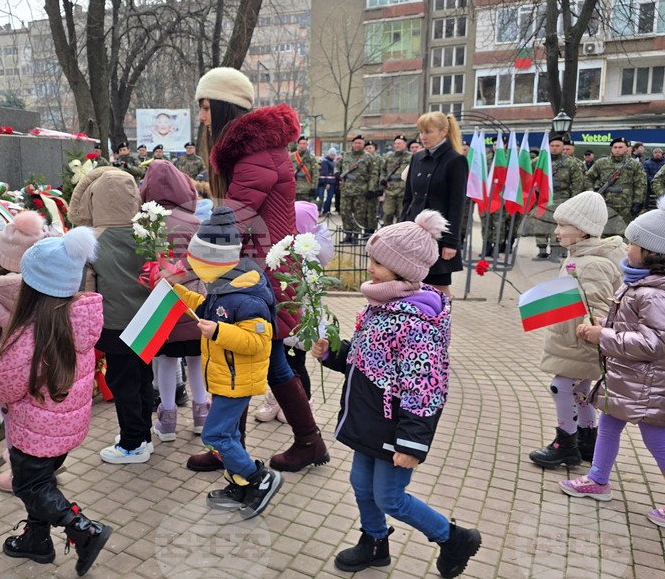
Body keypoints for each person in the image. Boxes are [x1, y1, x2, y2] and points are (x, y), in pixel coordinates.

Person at [310, 211, 482, 577]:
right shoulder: (381, 304)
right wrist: (333, 352)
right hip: (371, 420)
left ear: (404, 269)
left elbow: (426, 388)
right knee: (361, 484)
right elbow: (367, 359)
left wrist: (412, 443)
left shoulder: (416, 322)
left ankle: (454, 538)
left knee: (390, 497)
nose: (370, 268)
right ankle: (374, 542)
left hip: (395, 427)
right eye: (371, 259)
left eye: (378, 262)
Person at [191, 66, 330, 473]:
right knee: (267, 360)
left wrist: (186, 263)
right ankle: (301, 442)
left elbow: (231, 220)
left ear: (223, 106)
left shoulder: (254, 154)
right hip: (258, 268)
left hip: (260, 273)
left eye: (205, 107)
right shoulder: (253, 150)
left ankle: (253, 444)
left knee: (254, 357)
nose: (201, 116)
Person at [562, 189, 665, 530]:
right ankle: (598, 479)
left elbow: (653, 344)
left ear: (652, 252)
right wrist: (604, 327)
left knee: (657, 441)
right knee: (609, 424)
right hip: (629, 378)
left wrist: (603, 337)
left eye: (633, 243)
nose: (627, 248)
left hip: (650, 385)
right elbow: (633, 327)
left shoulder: (660, 296)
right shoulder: (643, 282)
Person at [0, 227, 113, 574]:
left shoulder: (30, 334)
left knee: (30, 486)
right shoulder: (76, 321)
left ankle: (83, 529)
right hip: (64, 430)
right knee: (43, 485)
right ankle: (36, 541)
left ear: (32, 287)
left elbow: (4, 387)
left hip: (34, 433)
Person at [169, 207, 285, 519]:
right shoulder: (222, 287)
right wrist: (177, 292)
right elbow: (203, 308)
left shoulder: (246, 296)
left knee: (215, 435)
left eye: (198, 262)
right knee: (229, 435)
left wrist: (220, 332)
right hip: (224, 378)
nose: (193, 268)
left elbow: (258, 341)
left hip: (238, 381)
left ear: (215, 261)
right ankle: (239, 484)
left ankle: (260, 478)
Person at [528, 192, 624, 469]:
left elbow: (597, 306)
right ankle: (587, 440)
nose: (556, 231)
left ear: (583, 230)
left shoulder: (592, 263)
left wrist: (590, 327)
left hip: (579, 341)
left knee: (561, 387)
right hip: (572, 338)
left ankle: (565, 444)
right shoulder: (581, 256)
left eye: (563, 225)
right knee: (581, 390)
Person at [68, 168, 154, 463]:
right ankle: (143, 435)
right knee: (142, 379)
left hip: (115, 324)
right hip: (149, 320)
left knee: (122, 383)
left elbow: (86, 291)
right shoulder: (147, 233)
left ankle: (132, 443)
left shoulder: (90, 239)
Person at [0, 211, 49, 493]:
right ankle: (48, 464)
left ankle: (20, 474)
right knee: (44, 418)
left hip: (12, 373)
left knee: (15, 424)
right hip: (50, 367)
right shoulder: (51, 287)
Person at [138, 161, 210, 441]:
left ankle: (167, 421)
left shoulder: (145, 224)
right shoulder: (196, 223)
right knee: (196, 359)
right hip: (194, 303)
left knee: (167, 360)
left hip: (161, 304)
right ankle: (202, 415)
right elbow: (205, 263)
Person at [255, 201, 334, 423]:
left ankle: (304, 403)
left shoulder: (305, 257)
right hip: (284, 317)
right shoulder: (288, 252)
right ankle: (277, 400)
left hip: (298, 321)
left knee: (295, 365)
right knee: (277, 363)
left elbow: (309, 291)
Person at [401, 112, 468, 297]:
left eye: (428, 132)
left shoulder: (456, 160)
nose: (423, 137)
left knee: (439, 286)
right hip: (414, 234)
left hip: (439, 236)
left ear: (444, 131)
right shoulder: (416, 158)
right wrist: (401, 230)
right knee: (412, 285)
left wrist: (451, 242)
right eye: (421, 132)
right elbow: (408, 199)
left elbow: (457, 205)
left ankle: (442, 317)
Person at [533, 135, 586, 261]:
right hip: (542, 199)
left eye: (557, 146)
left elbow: (577, 183)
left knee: (558, 226)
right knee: (540, 225)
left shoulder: (570, 162)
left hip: (562, 200)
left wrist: (573, 202)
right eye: (552, 146)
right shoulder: (538, 161)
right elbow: (527, 176)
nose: (554, 148)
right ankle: (541, 251)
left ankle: (555, 252)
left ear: (562, 147)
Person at [586, 137, 647, 238]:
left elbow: (640, 184)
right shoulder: (601, 163)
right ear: (611, 149)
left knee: (624, 235)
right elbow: (588, 179)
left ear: (626, 149)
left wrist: (638, 202)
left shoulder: (634, 164)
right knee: (603, 234)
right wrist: (594, 194)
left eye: (620, 147)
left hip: (626, 206)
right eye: (615, 147)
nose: (617, 150)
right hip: (605, 205)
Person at [335, 135, 378, 242]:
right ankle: (348, 234)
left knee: (359, 214)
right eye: (355, 143)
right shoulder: (346, 156)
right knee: (345, 213)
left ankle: (356, 235)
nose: (357, 145)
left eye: (359, 143)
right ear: (352, 144)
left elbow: (373, 174)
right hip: (346, 190)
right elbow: (337, 166)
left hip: (361, 190)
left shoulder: (368, 157)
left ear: (363, 144)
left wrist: (371, 189)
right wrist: (337, 174)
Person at [379, 135, 412, 226]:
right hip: (390, 190)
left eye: (399, 144)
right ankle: (387, 232)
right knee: (387, 214)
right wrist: (383, 180)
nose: (397, 145)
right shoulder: (389, 157)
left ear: (405, 144)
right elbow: (383, 170)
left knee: (401, 216)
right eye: (396, 144)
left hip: (403, 191)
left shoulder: (411, 157)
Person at [291, 136, 319, 203]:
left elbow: (315, 173)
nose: (302, 146)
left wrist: (313, 187)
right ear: (298, 144)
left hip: (306, 189)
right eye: (300, 143)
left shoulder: (311, 158)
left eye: (304, 144)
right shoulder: (292, 156)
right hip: (294, 189)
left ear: (307, 145)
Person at [318, 147, 337, 213]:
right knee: (327, 196)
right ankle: (325, 210)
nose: (333, 156)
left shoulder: (333, 161)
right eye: (332, 155)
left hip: (332, 181)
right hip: (328, 182)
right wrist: (327, 183)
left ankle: (327, 210)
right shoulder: (325, 161)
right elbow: (325, 173)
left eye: (334, 155)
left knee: (330, 196)